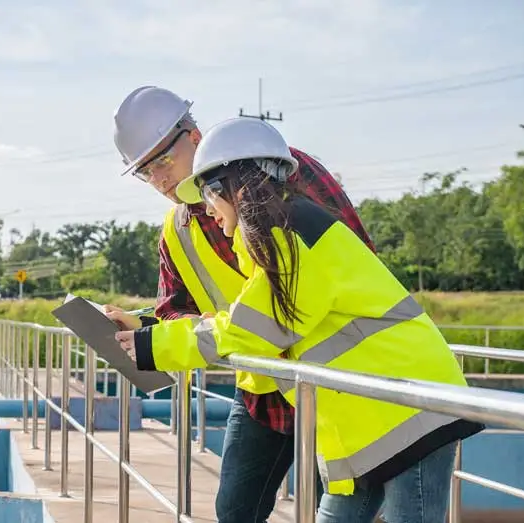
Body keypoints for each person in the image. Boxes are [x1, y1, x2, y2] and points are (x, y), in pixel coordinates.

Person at [113, 116, 485, 523]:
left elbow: (253, 329)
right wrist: (156, 331)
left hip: (410, 411)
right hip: (362, 421)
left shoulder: (293, 236)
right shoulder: (276, 237)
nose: (205, 208)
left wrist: (154, 345)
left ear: (229, 188)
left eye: (207, 194)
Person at [107, 85, 375, 522]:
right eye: (144, 171)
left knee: (330, 511)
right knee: (234, 511)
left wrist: (235, 326)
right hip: (261, 392)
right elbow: (174, 307)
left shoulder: (284, 171)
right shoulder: (176, 230)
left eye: (161, 161)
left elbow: (355, 261)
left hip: (328, 383)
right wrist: (143, 326)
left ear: (193, 137)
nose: (158, 179)